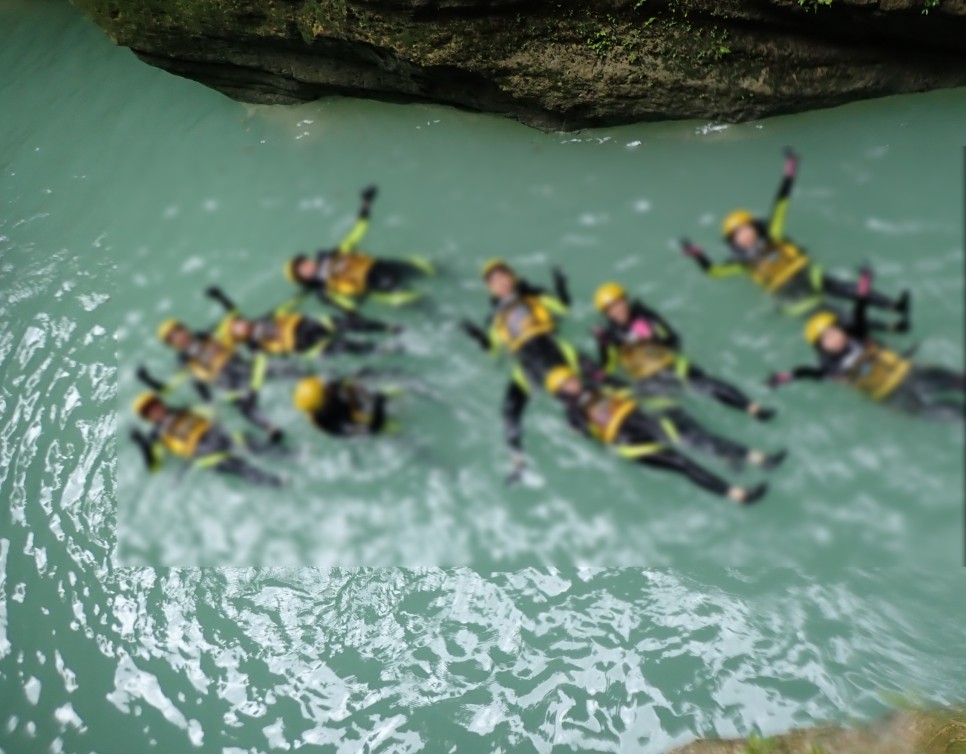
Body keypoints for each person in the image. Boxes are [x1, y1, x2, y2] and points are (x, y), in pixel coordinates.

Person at [679, 148, 910, 317]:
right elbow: (714, 272)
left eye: (747, 229)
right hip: (790, 295)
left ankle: (892, 306)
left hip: (806, 275)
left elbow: (781, 204)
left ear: (754, 227)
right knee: (835, 317)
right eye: (738, 234)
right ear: (733, 242)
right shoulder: (741, 263)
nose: (745, 235)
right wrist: (698, 255)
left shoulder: (774, 235)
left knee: (846, 288)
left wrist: (789, 174)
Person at [543, 367, 769, 504]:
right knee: (683, 463)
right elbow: (588, 433)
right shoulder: (572, 413)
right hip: (631, 443)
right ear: (560, 393)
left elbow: (624, 390)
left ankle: (758, 458)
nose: (573, 384)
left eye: (572, 379)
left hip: (643, 420)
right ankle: (738, 495)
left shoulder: (595, 386)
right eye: (566, 385)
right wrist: (578, 423)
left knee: (694, 439)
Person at [766, 269, 962, 420]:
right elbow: (808, 373)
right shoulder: (831, 367)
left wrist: (865, 282)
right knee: (956, 414)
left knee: (959, 381)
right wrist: (784, 377)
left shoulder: (857, 335)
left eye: (834, 331)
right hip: (894, 396)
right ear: (821, 348)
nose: (834, 338)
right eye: (827, 339)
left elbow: (860, 308)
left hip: (908, 373)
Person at [460, 259, 579, 479]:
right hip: (525, 364)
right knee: (509, 410)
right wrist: (478, 337)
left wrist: (560, 284)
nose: (501, 282)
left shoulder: (535, 296)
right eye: (494, 280)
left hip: (549, 350)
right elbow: (494, 352)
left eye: (503, 276)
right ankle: (518, 461)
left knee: (573, 397)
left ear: (513, 276)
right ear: (490, 288)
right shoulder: (494, 319)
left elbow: (564, 308)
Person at [592, 282, 775, 421]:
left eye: (619, 303)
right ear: (606, 314)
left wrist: (654, 335)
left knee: (710, 386)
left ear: (626, 300)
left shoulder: (646, 315)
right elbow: (608, 368)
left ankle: (753, 408)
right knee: (679, 419)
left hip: (669, 365)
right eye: (611, 309)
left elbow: (674, 341)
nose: (618, 310)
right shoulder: (609, 337)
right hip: (648, 381)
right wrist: (602, 345)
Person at [284, 185, 434, 309]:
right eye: (303, 271)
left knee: (429, 269)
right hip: (376, 285)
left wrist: (365, 203)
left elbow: (357, 232)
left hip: (379, 265)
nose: (308, 267)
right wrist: (348, 310)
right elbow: (348, 307)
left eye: (304, 263)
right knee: (421, 301)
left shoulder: (334, 254)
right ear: (306, 279)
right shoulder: (325, 290)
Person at [151, 318, 301, 440]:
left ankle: (305, 373)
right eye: (172, 338)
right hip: (225, 381)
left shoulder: (206, 334)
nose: (179, 337)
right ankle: (271, 427)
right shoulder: (183, 362)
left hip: (237, 364)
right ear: (171, 345)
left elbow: (232, 331)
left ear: (185, 328)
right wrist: (210, 403)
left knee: (273, 369)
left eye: (178, 331)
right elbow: (197, 384)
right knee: (244, 405)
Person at [130, 392, 284, 486]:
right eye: (150, 412)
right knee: (238, 467)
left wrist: (225, 402)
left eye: (155, 406)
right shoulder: (157, 437)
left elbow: (211, 412)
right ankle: (276, 482)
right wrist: (143, 446)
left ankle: (292, 455)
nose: (156, 411)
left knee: (250, 443)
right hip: (203, 454)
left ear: (161, 403)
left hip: (216, 434)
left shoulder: (183, 409)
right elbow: (155, 467)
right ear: (147, 418)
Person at [204, 285, 397, 358]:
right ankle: (385, 349)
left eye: (237, 322)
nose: (240, 325)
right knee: (348, 346)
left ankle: (388, 327)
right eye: (236, 329)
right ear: (238, 338)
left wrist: (220, 297)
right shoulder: (255, 347)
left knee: (352, 325)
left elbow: (288, 305)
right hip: (310, 347)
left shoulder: (261, 318)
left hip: (311, 324)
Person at [292, 375, 391, 437]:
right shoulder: (335, 421)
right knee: (375, 424)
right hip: (363, 422)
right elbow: (371, 427)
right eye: (325, 390)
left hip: (347, 405)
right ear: (324, 402)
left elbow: (343, 383)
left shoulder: (325, 392)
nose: (326, 386)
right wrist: (378, 403)